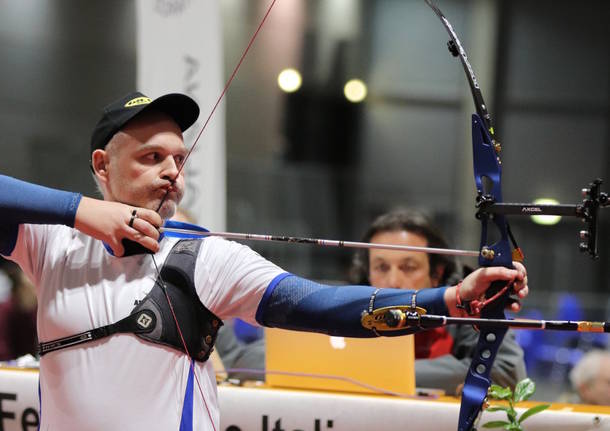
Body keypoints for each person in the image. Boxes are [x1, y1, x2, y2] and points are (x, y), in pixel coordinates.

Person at [0, 91, 529, 430]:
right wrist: (82, 212)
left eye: (179, 160)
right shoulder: (52, 245)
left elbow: (320, 305)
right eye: (151, 157)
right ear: (102, 165)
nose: (171, 173)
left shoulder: (203, 256)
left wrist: (450, 299)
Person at [350, 209, 527, 395]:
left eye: (409, 267)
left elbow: (506, 372)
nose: (393, 281)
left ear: (437, 274)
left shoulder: (467, 305)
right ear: (367, 273)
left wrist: (380, 374)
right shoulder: (350, 309)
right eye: (381, 267)